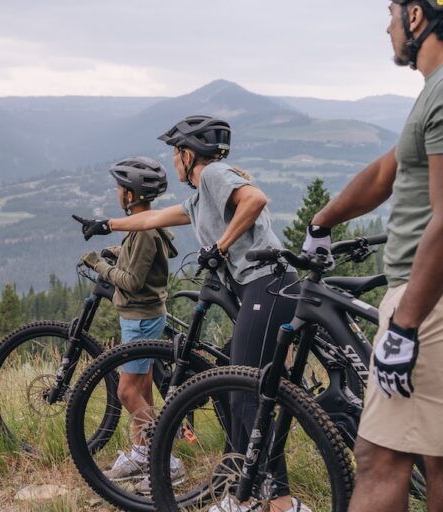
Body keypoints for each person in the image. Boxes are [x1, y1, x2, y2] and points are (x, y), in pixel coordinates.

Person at [74, 116, 308, 512]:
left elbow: (254, 200)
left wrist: (220, 246)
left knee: (246, 396)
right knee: (238, 391)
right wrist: (107, 224)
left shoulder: (215, 173)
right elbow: (151, 218)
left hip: (267, 285)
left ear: (188, 154)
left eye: (175, 153)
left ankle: (277, 502)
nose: (173, 161)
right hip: (262, 288)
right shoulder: (200, 198)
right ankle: (243, 490)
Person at [305, 2, 443, 510]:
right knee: (437, 459)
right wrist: (323, 220)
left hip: (425, 301)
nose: (386, 26)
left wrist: (405, 326)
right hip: (427, 300)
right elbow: (385, 173)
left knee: (380, 461)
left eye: (391, 11)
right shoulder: (433, 92)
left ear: (416, 16)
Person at [76, 156, 183, 488]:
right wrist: (118, 251)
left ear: (131, 194)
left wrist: (98, 263)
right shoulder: (145, 225)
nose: (117, 192)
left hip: (139, 317)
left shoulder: (145, 231)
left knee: (125, 392)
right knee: (143, 389)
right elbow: (140, 260)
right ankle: (142, 453)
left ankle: (165, 461)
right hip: (144, 315)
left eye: (120, 187)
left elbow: (133, 280)